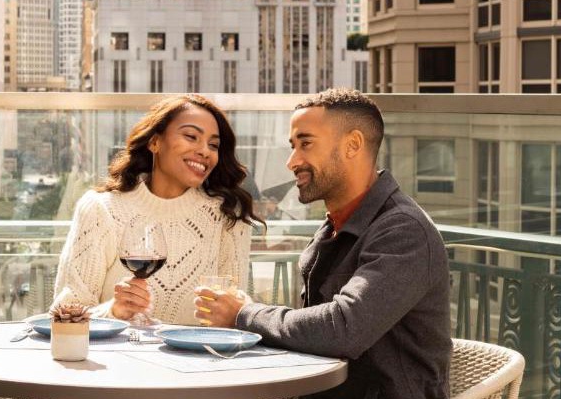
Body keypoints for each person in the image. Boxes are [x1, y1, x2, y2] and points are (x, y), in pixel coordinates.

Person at [194, 88, 451, 399]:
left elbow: (344, 327)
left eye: (306, 144)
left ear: (353, 144)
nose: (292, 161)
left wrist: (244, 315)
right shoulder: (336, 225)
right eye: (293, 146)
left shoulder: (404, 230)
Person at [54, 94, 261, 325]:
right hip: (118, 358)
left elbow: (234, 319)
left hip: (198, 359)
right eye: (191, 136)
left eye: (213, 145)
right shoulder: (101, 209)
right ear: (154, 142)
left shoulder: (228, 215)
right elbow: (64, 316)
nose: (205, 151)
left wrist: (237, 311)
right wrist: (114, 311)